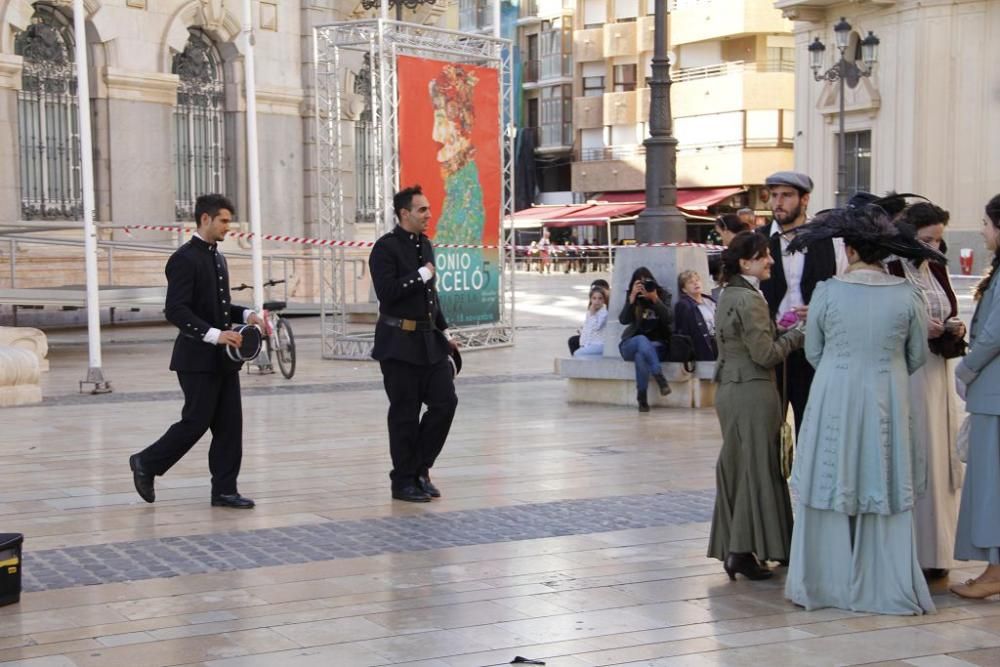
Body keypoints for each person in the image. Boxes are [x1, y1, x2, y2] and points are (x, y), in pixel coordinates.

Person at [784, 205, 944, 616]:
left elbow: (814, 350)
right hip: (887, 395)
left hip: (833, 394)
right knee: (882, 480)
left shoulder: (827, 292)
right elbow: (914, 355)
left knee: (830, 477)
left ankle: (824, 581)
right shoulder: (907, 295)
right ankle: (884, 581)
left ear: (851, 251)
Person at [128, 194, 263, 509]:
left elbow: (220, 305)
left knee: (231, 426)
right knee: (195, 422)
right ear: (206, 219)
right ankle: (146, 462)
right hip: (196, 360)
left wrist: (245, 316)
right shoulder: (184, 258)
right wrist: (214, 335)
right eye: (224, 221)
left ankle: (225, 490)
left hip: (223, 361)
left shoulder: (218, 257)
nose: (229, 227)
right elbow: (175, 310)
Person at [707, 231, 804, 580]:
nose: (771, 261)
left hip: (730, 389)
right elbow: (765, 355)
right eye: (765, 256)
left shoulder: (729, 293)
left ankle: (746, 549)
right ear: (746, 262)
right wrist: (799, 333)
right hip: (753, 391)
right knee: (758, 468)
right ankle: (744, 551)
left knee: (741, 467)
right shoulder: (751, 300)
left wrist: (782, 326)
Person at [885, 202, 966, 579]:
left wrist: (955, 326)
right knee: (916, 454)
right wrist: (920, 328)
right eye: (927, 239)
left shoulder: (935, 266)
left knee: (938, 456)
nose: (934, 246)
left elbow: (947, 307)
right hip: (909, 372)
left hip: (938, 371)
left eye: (939, 239)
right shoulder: (890, 269)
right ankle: (911, 550)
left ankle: (938, 550)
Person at [370, 185, 460, 503]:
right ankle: (403, 481)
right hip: (398, 344)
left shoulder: (426, 244)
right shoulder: (385, 248)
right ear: (404, 213)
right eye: (422, 210)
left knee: (445, 403)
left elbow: (431, 299)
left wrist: (446, 333)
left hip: (429, 342)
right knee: (405, 414)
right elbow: (388, 293)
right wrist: (419, 275)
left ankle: (421, 468)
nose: (428, 215)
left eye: (429, 209)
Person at [760, 170, 848, 433]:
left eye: (786, 195)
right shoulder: (759, 240)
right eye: (774, 195)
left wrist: (822, 309)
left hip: (813, 345)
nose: (778, 202)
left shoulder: (829, 240)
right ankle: (772, 475)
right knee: (769, 428)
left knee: (810, 425)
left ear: (805, 199)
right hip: (770, 345)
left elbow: (843, 287)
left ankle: (806, 475)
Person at [951, 193, 1000, 600]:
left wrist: (965, 369)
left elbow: (995, 334)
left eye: (986, 223)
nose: (983, 230)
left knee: (991, 483)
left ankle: (996, 569)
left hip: (995, 395)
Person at [619, 266, 673, 412]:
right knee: (641, 340)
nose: (643, 287)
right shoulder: (633, 298)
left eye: (646, 283)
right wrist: (631, 300)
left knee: (641, 356)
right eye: (639, 284)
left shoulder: (662, 295)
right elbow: (623, 321)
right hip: (631, 343)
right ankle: (659, 376)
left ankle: (642, 398)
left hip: (657, 345)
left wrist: (655, 299)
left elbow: (669, 319)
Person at [673, 270, 717, 361]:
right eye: (690, 282)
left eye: (697, 280)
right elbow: (684, 333)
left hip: (719, 343)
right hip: (702, 347)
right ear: (684, 289)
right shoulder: (683, 305)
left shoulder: (710, 301)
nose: (696, 283)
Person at [568, 279, 610, 355]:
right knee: (573, 341)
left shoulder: (605, 309)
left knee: (578, 354)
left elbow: (597, 326)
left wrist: (593, 314)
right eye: (594, 298)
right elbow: (588, 325)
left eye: (600, 298)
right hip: (590, 340)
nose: (597, 301)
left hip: (600, 342)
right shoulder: (591, 308)